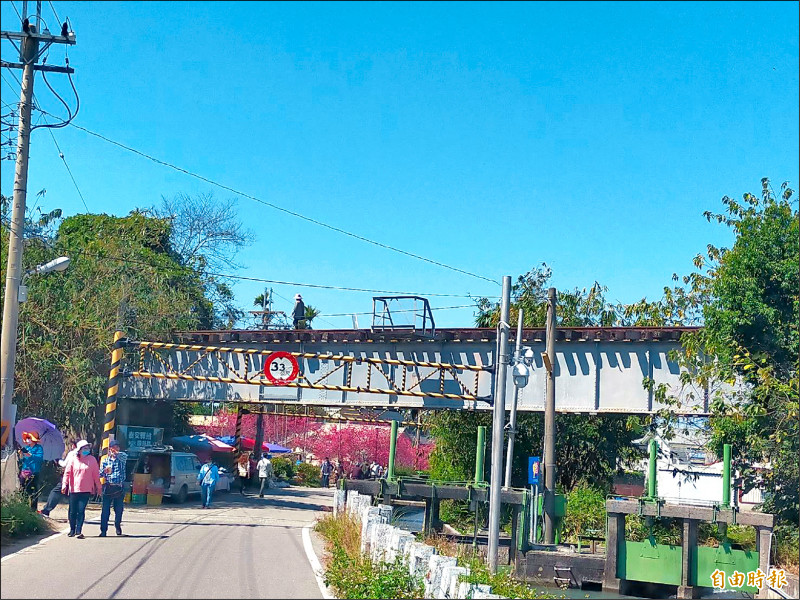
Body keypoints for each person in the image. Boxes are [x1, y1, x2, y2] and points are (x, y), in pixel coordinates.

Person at [62, 440, 101, 539]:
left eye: (87, 448)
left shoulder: (92, 460)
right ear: (79, 450)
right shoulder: (73, 459)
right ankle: (72, 529)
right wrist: (64, 485)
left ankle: (79, 530)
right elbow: (67, 473)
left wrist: (99, 487)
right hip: (74, 489)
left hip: (86, 489)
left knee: (81, 510)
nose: (86, 450)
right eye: (84, 448)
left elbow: (96, 475)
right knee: (72, 511)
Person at [40, 440, 77, 517]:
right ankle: (73, 516)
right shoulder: (87, 456)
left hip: (69, 476)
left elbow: (64, 464)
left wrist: (58, 460)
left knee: (56, 492)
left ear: (73, 446)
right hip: (79, 478)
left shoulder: (72, 453)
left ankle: (46, 510)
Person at [99, 439, 128, 537]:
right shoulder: (105, 461)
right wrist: (104, 471)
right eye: (114, 447)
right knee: (105, 510)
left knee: (119, 509)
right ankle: (103, 530)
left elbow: (124, 456)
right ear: (110, 448)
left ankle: (117, 524)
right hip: (108, 487)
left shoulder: (121, 458)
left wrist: (116, 453)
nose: (116, 449)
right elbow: (100, 474)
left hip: (119, 487)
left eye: (117, 447)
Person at [19, 431, 45, 511]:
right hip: (24, 471)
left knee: (33, 491)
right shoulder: (27, 448)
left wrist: (31, 455)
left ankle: (33, 509)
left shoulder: (39, 448)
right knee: (23, 490)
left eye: (29, 438)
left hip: (34, 472)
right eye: (27, 438)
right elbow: (22, 460)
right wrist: (21, 455)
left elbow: (40, 458)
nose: (27, 440)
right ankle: (24, 507)